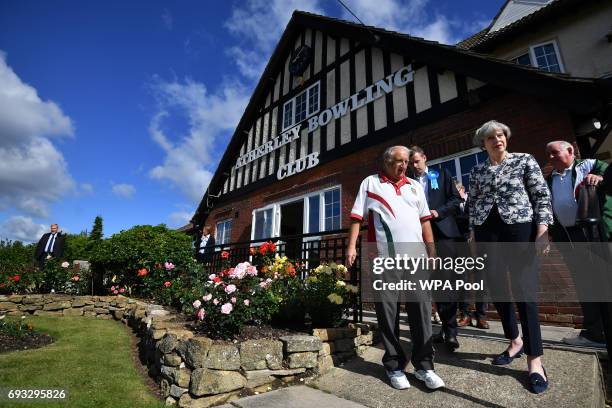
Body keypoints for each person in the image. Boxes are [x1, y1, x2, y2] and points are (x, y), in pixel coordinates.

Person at [347, 145, 445, 391]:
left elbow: (424, 220)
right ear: (387, 161)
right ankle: (394, 366)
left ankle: (424, 366)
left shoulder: (414, 186)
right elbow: (357, 217)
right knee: (387, 312)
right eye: (399, 161)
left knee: (421, 312)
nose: (404, 165)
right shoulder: (370, 183)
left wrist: (431, 249)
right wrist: (351, 247)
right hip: (385, 257)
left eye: (407, 161)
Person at [468, 120, 551, 394]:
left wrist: (543, 228)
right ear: (484, 143)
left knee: (525, 290)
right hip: (487, 231)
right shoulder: (477, 170)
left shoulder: (524, 160)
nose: (497, 140)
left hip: (519, 228)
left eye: (501, 135)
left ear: (507, 137)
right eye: (491, 137)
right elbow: (473, 205)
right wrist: (472, 235)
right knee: (497, 287)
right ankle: (514, 340)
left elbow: (540, 195)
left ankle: (535, 361)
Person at [545, 140, 611, 348]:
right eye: (549, 154)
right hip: (569, 239)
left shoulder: (590, 165)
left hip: (594, 234)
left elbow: (611, 179)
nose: (551, 157)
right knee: (585, 286)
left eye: (554, 153)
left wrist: (601, 178)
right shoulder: (549, 179)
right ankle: (594, 333)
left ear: (570, 151)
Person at [409, 146, 462, 351]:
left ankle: (451, 331)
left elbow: (456, 200)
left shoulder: (441, 175)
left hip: (443, 235)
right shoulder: (409, 183)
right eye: (411, 163)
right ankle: (442, 329)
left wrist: (437, 212)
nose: (414, 166)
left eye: (416, 161)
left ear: (425, 157)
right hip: (420, 237)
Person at [454, 181, 489, 329]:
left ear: (462, 189)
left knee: (481, 279)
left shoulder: (474, 200)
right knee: (463, 280)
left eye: (455, 191)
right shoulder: (453, 205)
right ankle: (466, 314)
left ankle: (481, 316)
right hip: (461, 246)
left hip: (478, 244)